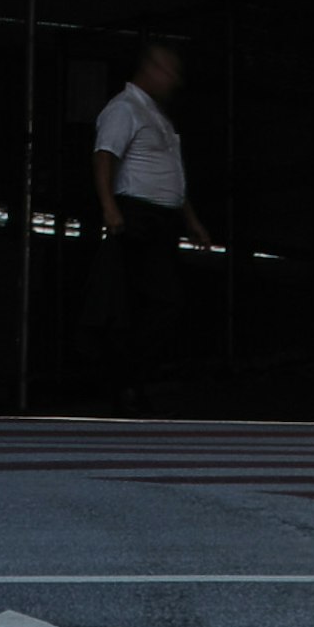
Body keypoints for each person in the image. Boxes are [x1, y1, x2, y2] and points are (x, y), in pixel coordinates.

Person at [87, 38, 207, 403]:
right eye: (168, 71)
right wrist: (110, 207)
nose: (172, 79)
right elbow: (104, 155)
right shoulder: (124, 109)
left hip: (163, 218)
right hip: (137, 215)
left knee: (158, 303)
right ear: (150, 69)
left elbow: (170, 175)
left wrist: (191, 220)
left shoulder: (156, 116)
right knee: (151, 302)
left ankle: (133, 381)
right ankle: (124, 382)